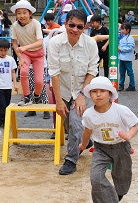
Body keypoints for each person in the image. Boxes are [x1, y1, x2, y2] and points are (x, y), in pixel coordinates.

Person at [47, 9, 99, 175]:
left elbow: (92, 70)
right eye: (71, 25)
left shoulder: (90, 44)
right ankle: (86, 141)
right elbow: (54, 73)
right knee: (69, 124)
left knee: (76, 123)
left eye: (79, 26)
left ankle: (70, 160)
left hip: (82, 90)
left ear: (85, 27)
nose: (75, 29)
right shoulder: (55, 43)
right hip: (62, 89)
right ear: (65, 24)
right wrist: (59, 101)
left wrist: (82, 96)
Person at [79, 76, 138, 203]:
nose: (98, 95)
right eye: (94, 92)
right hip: (101, 148)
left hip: (121, 146)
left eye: (102, 91)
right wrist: (83, 145)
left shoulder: (121, 110)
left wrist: (127, 136)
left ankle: (117, 195)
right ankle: (108, 200)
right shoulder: (89, 114)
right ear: (90, 94)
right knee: (95, 178)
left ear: (110, 94)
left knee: (122, 177)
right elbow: (87, 131)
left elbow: (135, 127)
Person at [10, 0, 44, 106]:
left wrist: (25, 47)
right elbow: (14, 43)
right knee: (23, 72)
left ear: (30, 13)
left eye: (24, 12)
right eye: (19, 13)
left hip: (38, 54)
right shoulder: (15, 26)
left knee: (39, 81)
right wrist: (20, 57)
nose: (22, 15)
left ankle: (37, 95)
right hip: (25, 54)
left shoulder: (36, 24)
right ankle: (26, 96)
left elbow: (40, 42)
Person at [118, 23, 136, 92]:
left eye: (123, 29)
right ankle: (121, 85)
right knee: (122, 72)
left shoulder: (130, 38)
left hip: (127, 58)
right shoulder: (123, 37)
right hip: (121, 58)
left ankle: (132, 85)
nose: (121, 30)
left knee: (130, 72)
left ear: (128, 30)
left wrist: (121, 49)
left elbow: (130, 47)